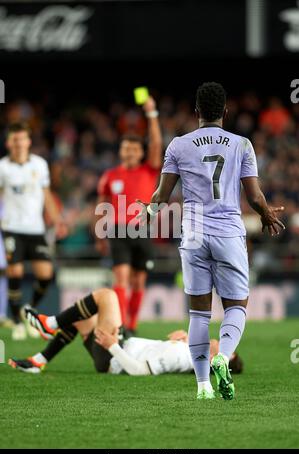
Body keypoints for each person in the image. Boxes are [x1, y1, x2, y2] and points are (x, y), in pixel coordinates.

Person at [137, 82, 285, 400]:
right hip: (229, 231)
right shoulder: (241, 144)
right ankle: (224, 355)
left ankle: (203, 386)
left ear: (196, 112)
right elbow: (255, 196)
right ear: (226, 112)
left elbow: (161, 195)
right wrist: (267, 214)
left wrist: (147, 215)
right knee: (237, 306)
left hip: (192, 233)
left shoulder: (178, 145)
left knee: (199, 313)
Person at [8, 288, 243, 376]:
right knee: (81, 317)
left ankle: (49, 324)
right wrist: (182, 340)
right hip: (117, 349)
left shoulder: (182, 358)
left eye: (226, 349)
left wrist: (112, 345)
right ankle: (39, 361)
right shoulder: (189, 354)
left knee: (107, 296)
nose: (223, 341)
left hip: (112, 356)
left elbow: (140, 371)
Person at [96, 96, 162, 334]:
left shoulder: (149, 170)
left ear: (141, 152)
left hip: (143, 229)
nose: (130, 151)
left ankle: (132, 325)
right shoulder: (110, 176)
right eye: (126, 148)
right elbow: (102, 204)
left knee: (139, 282)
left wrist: (152, 115)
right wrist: (99, 233)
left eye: (135, 148)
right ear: (121, 151)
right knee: (121, 279)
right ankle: (121, 325)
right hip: (118, 229)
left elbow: (156, 144)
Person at [0, 122, 64, 340]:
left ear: (28, 141)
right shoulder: (3, 167)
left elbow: (46, 194)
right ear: (9, 142)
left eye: (22, 139)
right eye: (14, 139)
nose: (18, 143)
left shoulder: (39, 164)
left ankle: (27, 310)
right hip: (12, 228)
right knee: (15, 273)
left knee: (46, 275)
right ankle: (17, 322)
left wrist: (57, 219)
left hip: (35, 229)